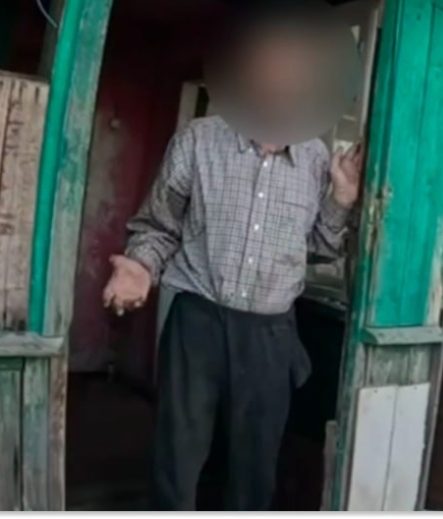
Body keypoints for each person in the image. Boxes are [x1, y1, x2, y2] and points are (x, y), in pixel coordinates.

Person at [101, 23, 364, 510]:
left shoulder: (315, 159)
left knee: (255, 466)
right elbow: (159, 226)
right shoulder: (198, 141)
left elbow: (318, 248)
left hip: (270, 336)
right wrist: (140, 267)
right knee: (177, 456)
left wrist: (341, 201)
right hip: (197, 322)